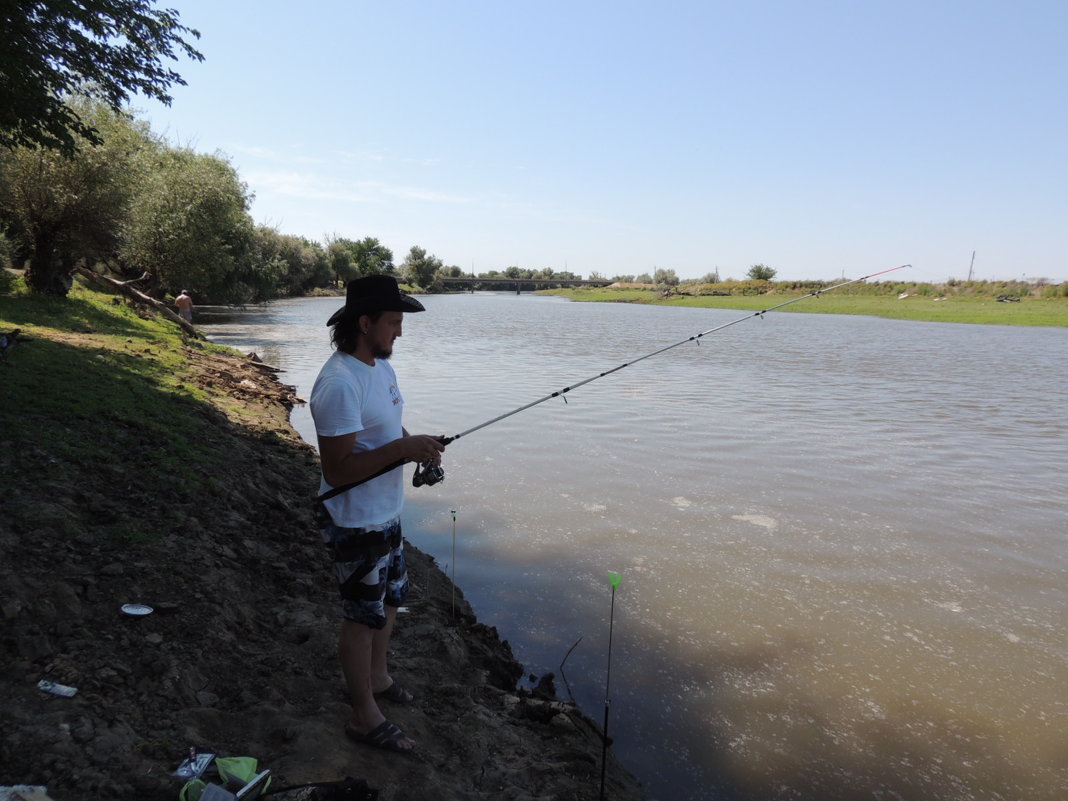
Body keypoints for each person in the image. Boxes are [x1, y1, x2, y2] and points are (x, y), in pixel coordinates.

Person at [309, 274, 445, 753]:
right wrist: (403, 448)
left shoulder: (380, 368)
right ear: (364, 323)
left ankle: (380, 679)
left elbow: (388, 427)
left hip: (387, 511)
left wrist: (416, 445)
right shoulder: (338, 384)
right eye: (392, 322)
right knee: (362, 616)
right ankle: (364, 716)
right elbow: (339, 470)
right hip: (355, 519)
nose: (400, 332)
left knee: (389, 603)